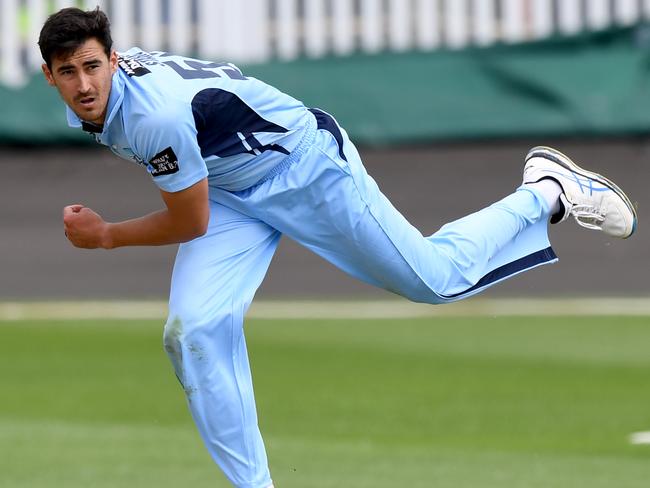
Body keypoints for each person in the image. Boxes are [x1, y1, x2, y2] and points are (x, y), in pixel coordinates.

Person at [39, 7, 636, 488]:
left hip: (304, 168)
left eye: (92, 66)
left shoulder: (151, 116)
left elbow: (188, 221)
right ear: (50, 76)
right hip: (229, 187)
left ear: (114, 60)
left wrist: (108, 236)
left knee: (433, 279)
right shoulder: (111, 98)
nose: (84, 83)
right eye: (68, 72)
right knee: (192, 330)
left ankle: (545, 192)